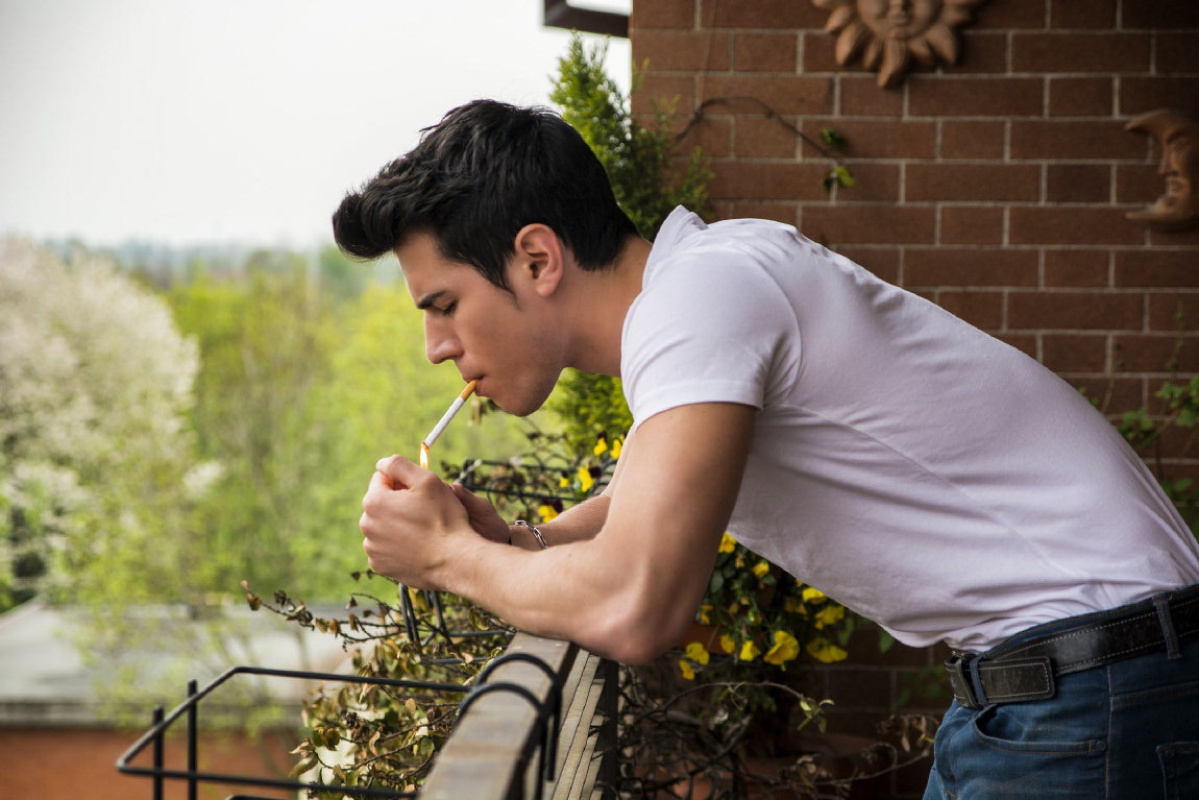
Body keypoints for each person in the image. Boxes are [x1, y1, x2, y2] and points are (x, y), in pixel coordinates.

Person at [332, 99, 1199, 799]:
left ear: (535, 258)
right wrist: (517, 544)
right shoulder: (703, 289)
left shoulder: (701, 297)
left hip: (1092, 686)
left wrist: (445, 556)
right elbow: (649, 500)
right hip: (1072, 682)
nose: (435, 347)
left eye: (441, 304)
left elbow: (636, 607)